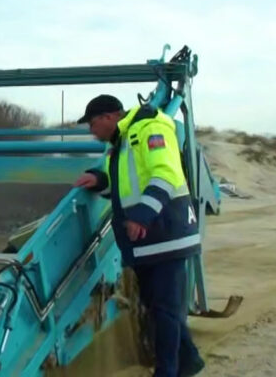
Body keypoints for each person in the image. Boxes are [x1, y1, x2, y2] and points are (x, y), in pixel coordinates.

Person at [73, 94, 204, 377]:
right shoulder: (119, 144)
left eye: (93, 124)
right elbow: (120, 186)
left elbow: (165, 173)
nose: (91, 131)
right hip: (147, 240)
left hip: (166, 233)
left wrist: (143, 214)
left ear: (109, 117)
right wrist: (98, 180)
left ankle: (167, 371)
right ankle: (190, 360)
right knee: (159, 306)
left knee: (165, 310)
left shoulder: (149, 127)